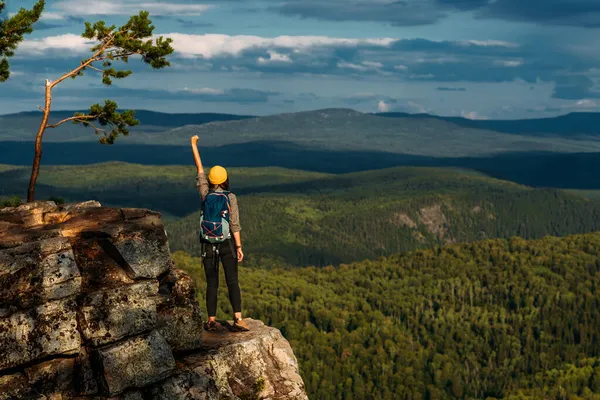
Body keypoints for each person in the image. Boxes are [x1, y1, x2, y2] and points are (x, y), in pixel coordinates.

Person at [190, 134, 249, 332]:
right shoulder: (230, 197)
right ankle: (238, 319)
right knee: (232, 280)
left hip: (208, 243)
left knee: (211, 283)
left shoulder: (205, 194)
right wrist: (239, 247)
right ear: (225, 179)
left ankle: (212, 321)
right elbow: (235, 225)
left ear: (210, 180)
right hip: (227, 244)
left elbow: (199, 169)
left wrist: (193, 145)